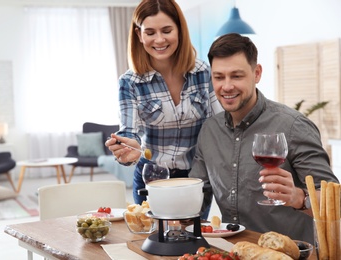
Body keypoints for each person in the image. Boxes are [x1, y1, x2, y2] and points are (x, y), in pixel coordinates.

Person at [189, 33, 339, 243]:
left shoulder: (293, 126)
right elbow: (197, 194)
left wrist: (299, 198)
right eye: (219, 77)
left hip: (287, 255)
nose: (227, 86)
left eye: (237, 76)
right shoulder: (209, 131)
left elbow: (335, 204)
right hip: (232, 252)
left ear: (257, 73)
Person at [105, 0, 223, 206]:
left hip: (195, 179)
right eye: (150, 32)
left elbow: (220, 125)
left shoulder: (203, 72)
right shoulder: (129, 83)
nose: (159, 39)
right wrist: (126, 150)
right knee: (152, 237)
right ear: (139, 35)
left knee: (193, 237)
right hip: (152, 178)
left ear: (179, 30)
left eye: (166, 30)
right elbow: (128, 132)